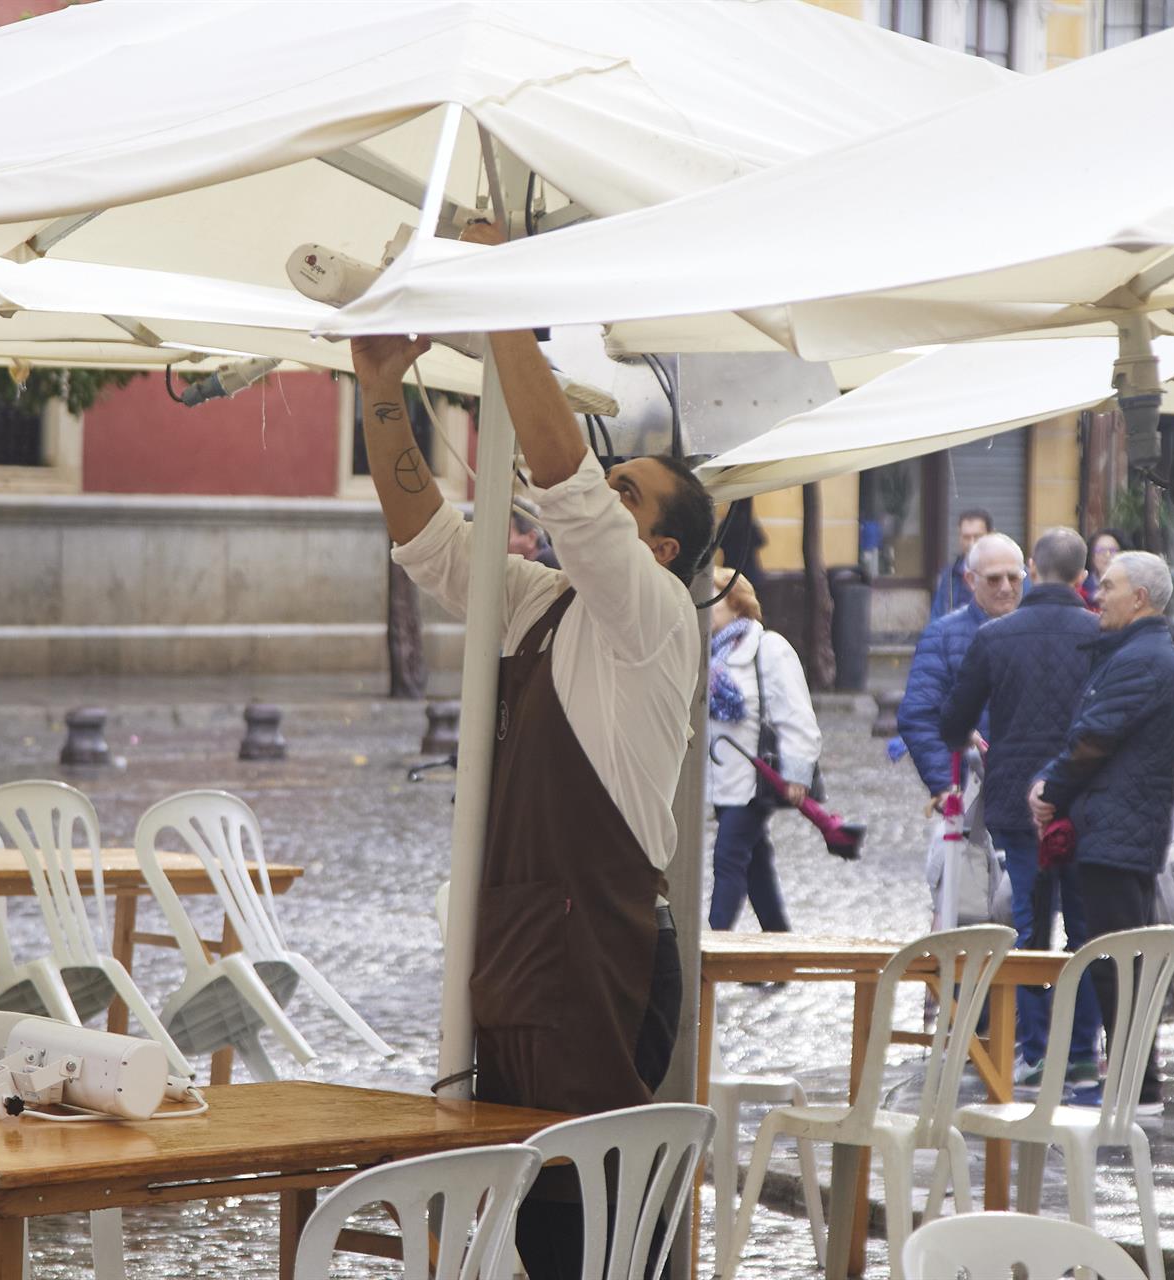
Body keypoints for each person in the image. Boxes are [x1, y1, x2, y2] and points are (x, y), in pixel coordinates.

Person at [352, 221, 714, 1280]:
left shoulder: (654, 616)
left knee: (579, 1233)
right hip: (522, 957)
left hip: (595, 961)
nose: (604, 492)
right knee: (520, 1223)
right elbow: (425, 536)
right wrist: (380, 387)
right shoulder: (541, 602)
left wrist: (506, 293)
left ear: (659, 550)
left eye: (628, 494)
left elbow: (563, 480)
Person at [939, 528, 1101, 1089]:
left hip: (1015, 801)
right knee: (1085, 930)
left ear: (1032, 568)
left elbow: (952, 723)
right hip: (1084, 801)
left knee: (1029, 927)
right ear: (1082, 576)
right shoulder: (1102, 633)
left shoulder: (995, 636)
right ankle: (1082, 1054)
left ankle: (1034, 1050)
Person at [1030, 551, 1174, 1115]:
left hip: (1118, 838)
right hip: (1115, 832)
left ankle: (1134, 1089)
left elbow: (1094, 738)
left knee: (1119, 965)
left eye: (1110, 585)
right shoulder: (1133, 652)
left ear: (1139, 598)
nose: (1097, 592)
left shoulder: (1142, 659)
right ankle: (1132, 1084)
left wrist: (1050, 792)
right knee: (1115, 963)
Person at [705, 567, 820, 933]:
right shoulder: (710, 654)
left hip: (755, 780)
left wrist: (797, 773)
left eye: (714, 599)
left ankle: (707, 956)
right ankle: (778, 946)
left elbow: (796, 714)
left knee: (728, 860)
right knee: (756, 866)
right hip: (723, 778)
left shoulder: (768, 647)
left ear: (737, 605)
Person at [899, 532, 1026, 801]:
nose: (1006, 587)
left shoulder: (1040, 631)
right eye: (994, 579)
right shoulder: (942, 635)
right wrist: (945, 784)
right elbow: (920, 715)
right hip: (971, 792)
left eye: (1014, 577)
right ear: (970, 580)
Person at [929, 508, 993, 620]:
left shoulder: (1009, 573)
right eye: (966, 537)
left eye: (977, 536)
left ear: (991, 535)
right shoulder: (949, 576)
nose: (972, 543)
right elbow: (936, 621)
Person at [1082, 527, 1128, 609]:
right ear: (1092, 556)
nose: (1107, 555)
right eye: (1100, 550)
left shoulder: (1129, 586)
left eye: (1112, 550)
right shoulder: (1082, 587)